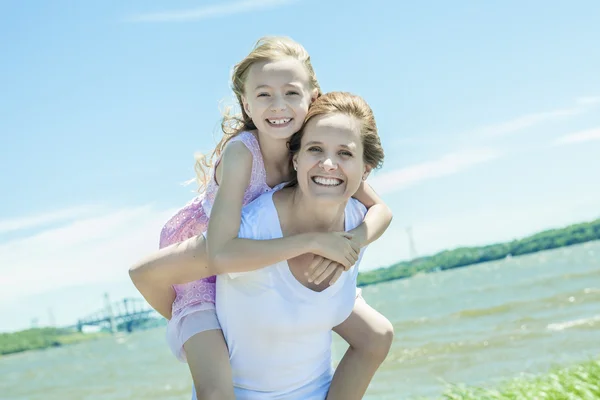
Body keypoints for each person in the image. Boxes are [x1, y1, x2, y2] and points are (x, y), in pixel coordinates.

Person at [129, 37, 393, 400]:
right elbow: (218, 254)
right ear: (246, 104)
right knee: (216, 391)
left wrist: (352, 243)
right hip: (208, 264)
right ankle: (200, 327)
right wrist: (315, 242)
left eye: (290, 93)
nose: (278, 106)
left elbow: (381, 209)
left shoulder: (311, 148)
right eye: (265, 95)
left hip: (262, 257)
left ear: (312, 98)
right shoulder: (242, 153)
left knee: (377, 335)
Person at [212, 91, 389, 399]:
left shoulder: (357, 220)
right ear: (295, 159)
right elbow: (153, 273)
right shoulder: (251, 229)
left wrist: (355, 241)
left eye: (345, 153)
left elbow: (384, 213)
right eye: (315, 149)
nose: (329, 164)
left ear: (365, 171)